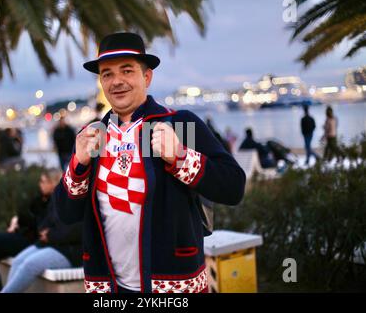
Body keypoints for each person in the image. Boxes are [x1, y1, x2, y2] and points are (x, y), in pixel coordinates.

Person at [53, 32, 246, 293]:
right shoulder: (94, 134)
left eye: (127, 70)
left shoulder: (179, 124)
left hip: (173, 288)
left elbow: (234, 187)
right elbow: (66, 213)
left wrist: (180, 157)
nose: (116, 81)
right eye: (107, 74)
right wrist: (78, 165)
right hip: (108, 288)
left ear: (147, 77)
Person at [1, 170, 82, 293]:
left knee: (29, 265)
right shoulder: (56, 196)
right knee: (18, 261)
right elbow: (45, 221)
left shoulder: (80, 198)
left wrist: (50, 235)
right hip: (50, 244)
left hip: (70, 251)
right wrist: (44, 231)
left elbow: (77, 231)